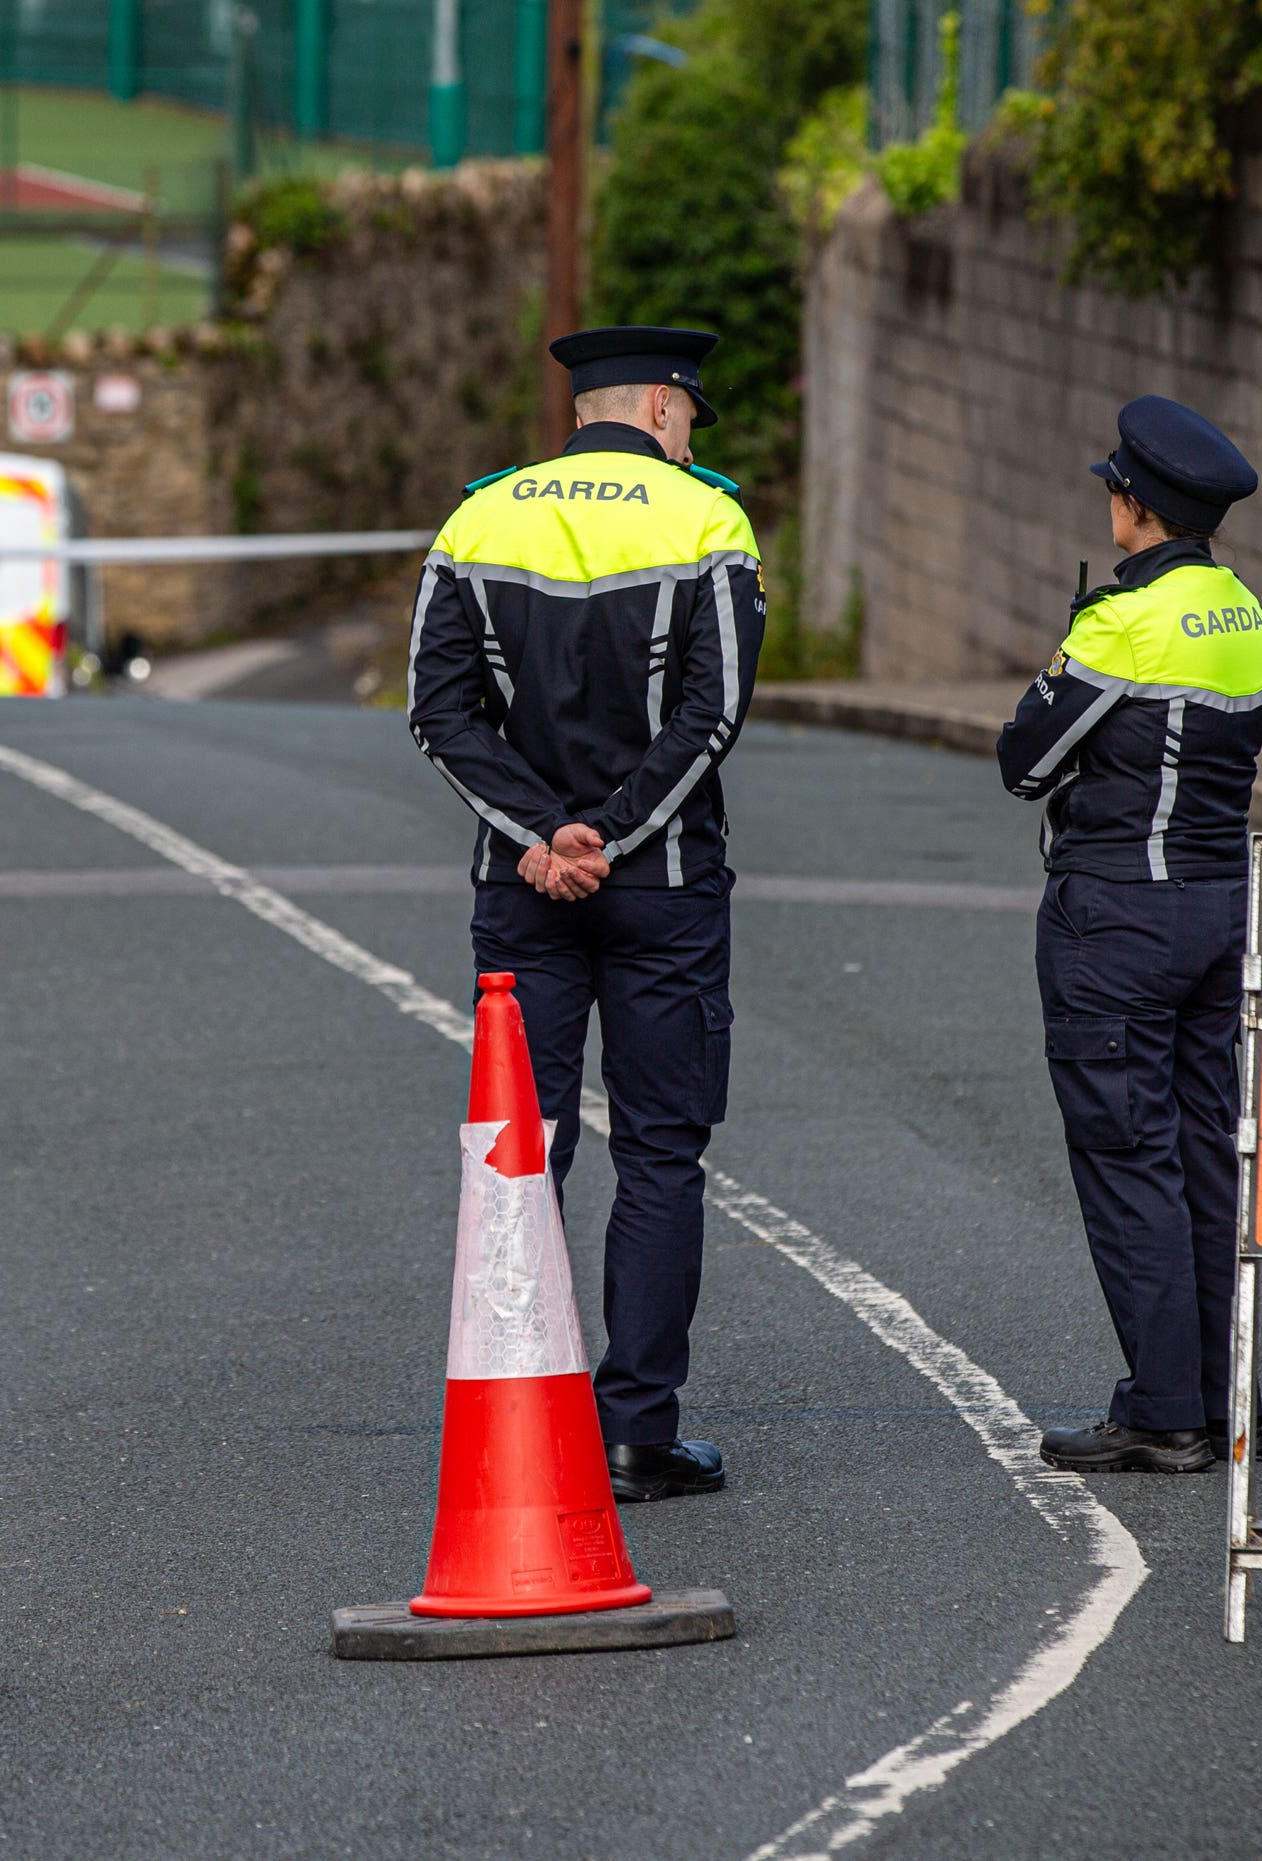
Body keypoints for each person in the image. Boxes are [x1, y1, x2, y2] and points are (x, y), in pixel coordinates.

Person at [406, 326, 766, 1502]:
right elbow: (712, 715)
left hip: (520, 894)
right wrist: (611, 834)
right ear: (664, 408)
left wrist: (539, 834)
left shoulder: (479, 521)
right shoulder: (705, 523)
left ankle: (528, 1426)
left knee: (524, 1156)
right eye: (690, 415)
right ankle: (633, 1434)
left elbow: (437, 712)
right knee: (661, 1152)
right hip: (661, 886)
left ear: (583, 410)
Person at [998, 395, 1262, 1476]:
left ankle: (1164, 1410)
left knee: (1128, 1157)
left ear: (1138, 506)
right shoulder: (1245, 614)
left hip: (1116, 913)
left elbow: (1024, 759)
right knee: (1206, 1153)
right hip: (1219, 908)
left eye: (1114, 488)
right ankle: (1226, 1396)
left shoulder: (1120, 623)